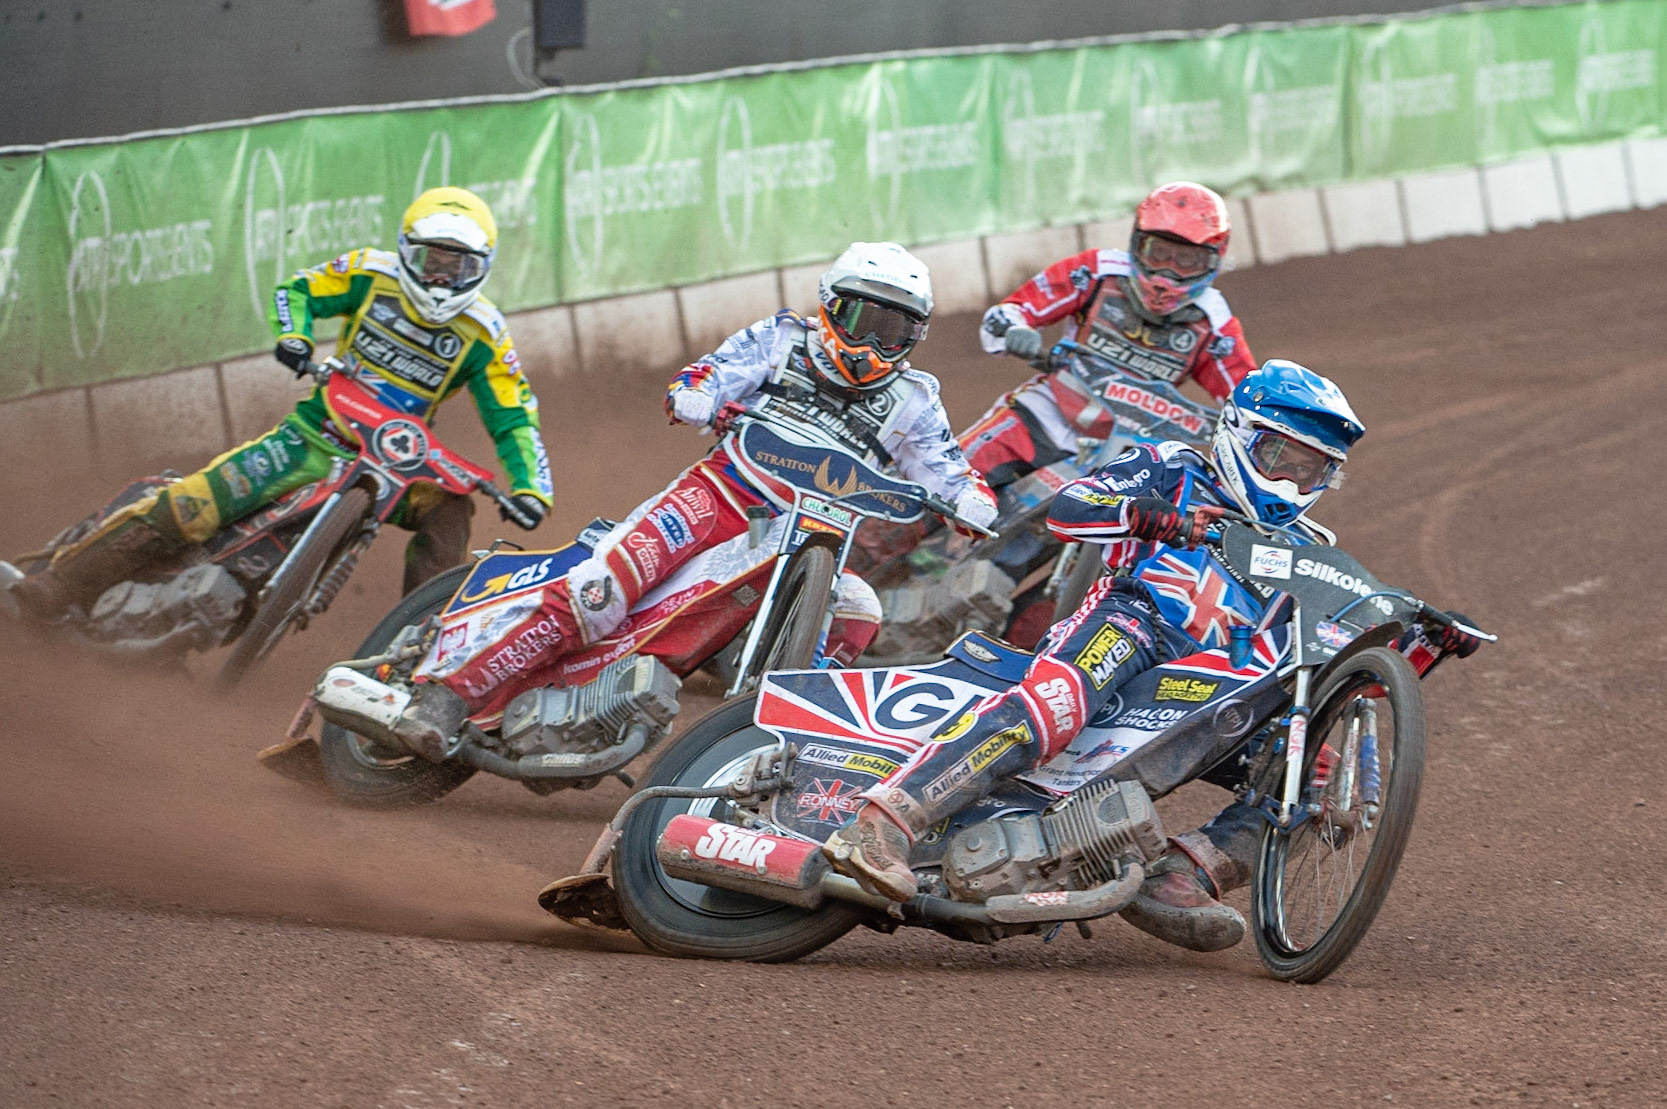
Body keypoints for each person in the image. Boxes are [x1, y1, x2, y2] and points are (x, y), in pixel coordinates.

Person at [825, 359, 1485, 952]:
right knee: (1056, 703)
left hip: (1218, 682)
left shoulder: (1308, 546)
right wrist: (1154, 516)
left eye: (1307, 467)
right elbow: (1071, 507)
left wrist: (1420, 645)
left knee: (1316, 774)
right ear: (1236, 432)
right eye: (1275, 453)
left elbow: (1340, 663)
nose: (1287, 478)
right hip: (1131, 621)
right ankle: (882, 822)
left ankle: (1183, 873)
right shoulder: (1173, 465)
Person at [322, 242, 1000, 754]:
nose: (875, 342)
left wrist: (971, 501)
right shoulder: (780, 339)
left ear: (916, 336)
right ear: (830, 306)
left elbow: (947, 468)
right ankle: (447, 696)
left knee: (860, 607)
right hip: (719, 497)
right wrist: (699, 396)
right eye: (863, 319)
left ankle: (780, 746)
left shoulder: (914, 400)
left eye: (896, 330)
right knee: (603, 587)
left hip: (817, 534)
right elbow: (708, 375)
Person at [4, 186, 553, 621]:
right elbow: (297, 290)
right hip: (314, 436)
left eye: (457, 267)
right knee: (195, 503)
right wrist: (294, 338)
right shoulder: (369, 271)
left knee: (453, 508)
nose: (440, 277)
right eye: (433, 260)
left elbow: (515, 415)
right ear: (406, 249)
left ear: (482, 266)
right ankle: (55, 587)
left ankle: (415, 643)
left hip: (399, 465)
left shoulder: (485, 332)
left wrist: (532, 487)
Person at [964, 181, 1257, 491]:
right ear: (1137, 242)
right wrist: (1016, 329)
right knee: (948, 478)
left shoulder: (1214, 323)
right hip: (1046, 413)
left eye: (1187, 261)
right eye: (1158, 254)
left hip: (1126, 455)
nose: (1167, 275)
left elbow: (1249, 400)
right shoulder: (1096, 271)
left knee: (1153, 525)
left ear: (1212, 260)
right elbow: (1010, 312)